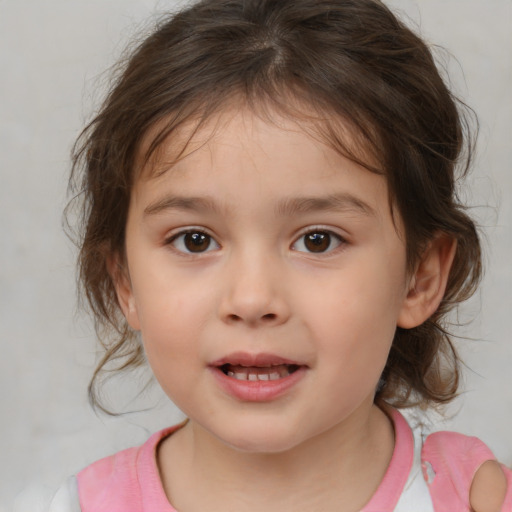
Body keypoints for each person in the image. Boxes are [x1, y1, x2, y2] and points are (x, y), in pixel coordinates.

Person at [50, 0, 511, 510]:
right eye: (195, 239)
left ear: (419, 278)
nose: (251, 299)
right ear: (126, 280)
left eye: (318, 240)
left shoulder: (478, 499)